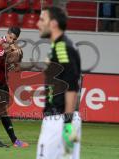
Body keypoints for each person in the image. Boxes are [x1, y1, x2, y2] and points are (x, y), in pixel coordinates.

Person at [36, 6, 81, 159]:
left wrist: (67, 123)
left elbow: (71, 85)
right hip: (65, 119)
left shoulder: (62, 47)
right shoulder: (60, 45)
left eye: (42, 19)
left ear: (53, 24)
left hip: (59, 120)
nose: (38, 24)